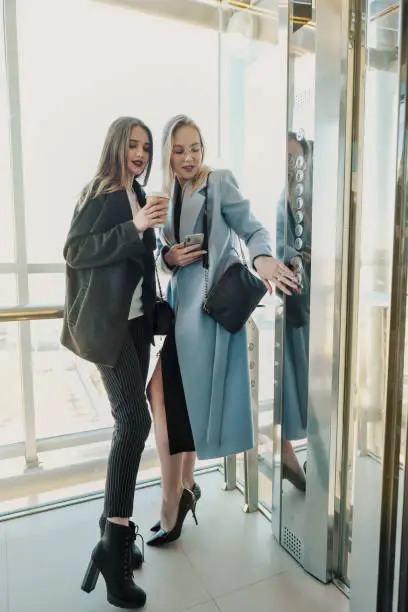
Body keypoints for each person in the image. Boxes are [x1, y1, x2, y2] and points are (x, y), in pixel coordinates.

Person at [146, 114, 298, 547]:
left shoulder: (220, 182)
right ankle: (184, 488)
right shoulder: (171, 194)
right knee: (173, 399)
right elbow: (162, 256)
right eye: (180, 150)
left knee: (167, 396)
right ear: (169, 156)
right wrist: (169, 259)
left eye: (195, 147)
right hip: (180, 313)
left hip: (209, 316)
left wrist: (264, 258)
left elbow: (252, 229)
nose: (189, 157)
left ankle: (171, 502)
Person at [61, 116, 168, 609]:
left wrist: (166, 250)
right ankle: (114, 545)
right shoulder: (102, 191)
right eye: (133, 144)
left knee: (129, 422)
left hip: (136, 326)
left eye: (146, 146)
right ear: (116, 146)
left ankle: (115, 537)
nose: (141, 152)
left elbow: (138, 260)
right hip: (111, 330)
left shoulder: (138, 193)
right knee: (134, 421)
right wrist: (135, 226)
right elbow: (76, 250)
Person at [277, 131, 312, 492]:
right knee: (293, 380)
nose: (293, 166)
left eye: (297, 159)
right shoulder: (282, 202)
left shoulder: (305, 200)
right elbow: (279, 248)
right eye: (287, 158)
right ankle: (289, 455)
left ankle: (297, 456)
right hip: (292, 303)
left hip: (311, 299)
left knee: (306, 380)